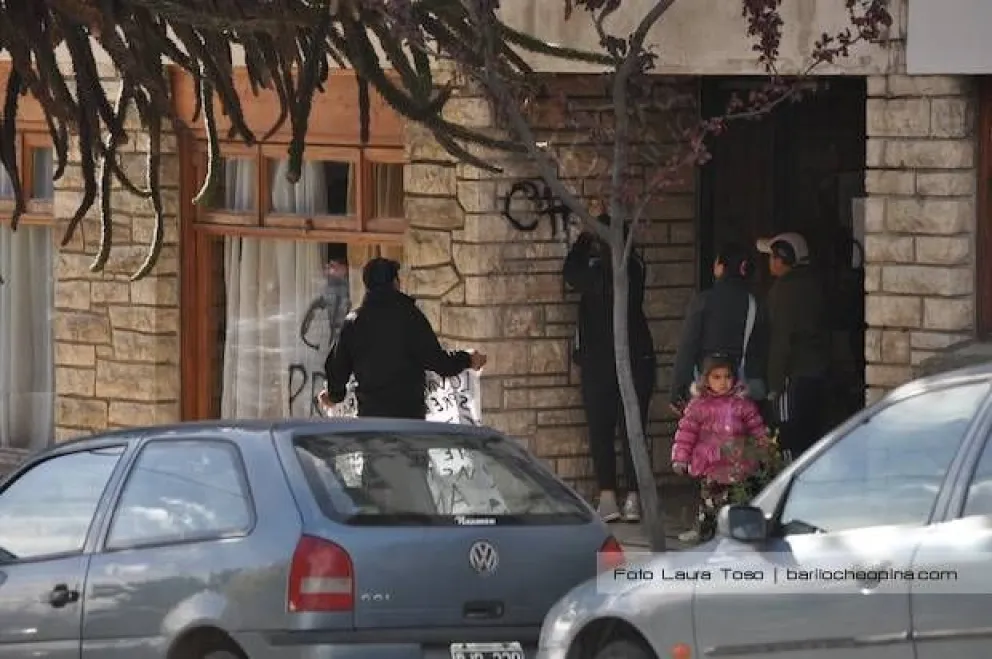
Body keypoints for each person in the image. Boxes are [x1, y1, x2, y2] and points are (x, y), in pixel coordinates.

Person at [563, 207, 656, 523]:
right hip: (637, 359)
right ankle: (633, 498)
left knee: (601, 428)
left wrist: (584, 237)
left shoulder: (597, 274)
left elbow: (570, 271)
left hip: (601, 362)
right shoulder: (635, 267)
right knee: (632, 429)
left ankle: (608, 496)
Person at [317, 257, 487, 419]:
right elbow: (438, 361)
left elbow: (337, 370)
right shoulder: (410, 317)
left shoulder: (354, 323)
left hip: (371, 422)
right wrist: (467, 359)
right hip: (408, 421)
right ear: (395, 283)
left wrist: (333, 396)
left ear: (367, 286)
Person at [670, 353, 770, 543]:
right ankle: (704, 531)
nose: (723, 382)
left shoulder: (743, 405)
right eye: (716, 377)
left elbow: (757, 428)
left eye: (727, 377)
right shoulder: (698, 406)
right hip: (710, 463)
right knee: (709, 502)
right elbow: (686, 434)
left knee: (737, 501)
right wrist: (680, 458)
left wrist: (764, 448)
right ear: (705, 379)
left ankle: (736, 533)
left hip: (738, 464)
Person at [756, 231, 830, 460]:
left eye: (772, 256)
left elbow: (781, 339)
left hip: (792, 373)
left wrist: (774, 384)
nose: (770, 262)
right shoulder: (815, 284)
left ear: (783, 259)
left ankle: (790, 479)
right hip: (816, 369)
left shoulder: (784, 291)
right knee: (810, 434)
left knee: (787, 435)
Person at [669, 242, 768, 414]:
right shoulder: (754, 304)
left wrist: (678, 391)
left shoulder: (704, 300)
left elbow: (688, 346)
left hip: (705, 388)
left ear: (721, 267)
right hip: (740, 391)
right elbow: (761, 350)